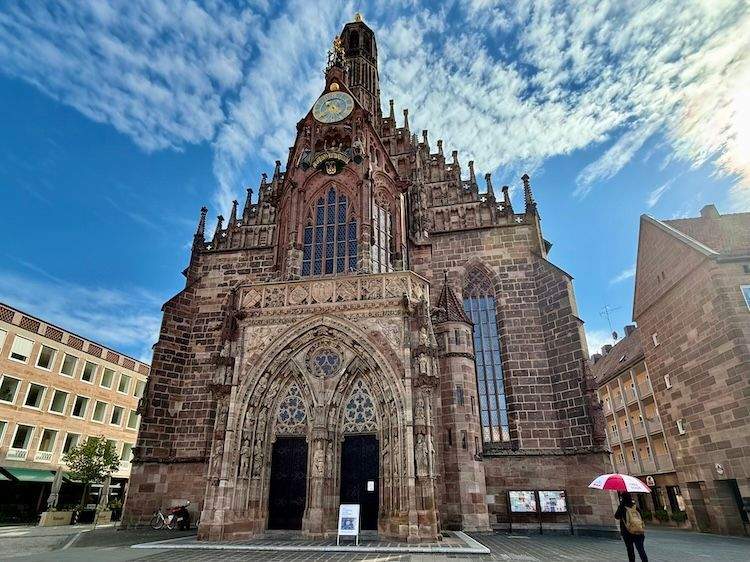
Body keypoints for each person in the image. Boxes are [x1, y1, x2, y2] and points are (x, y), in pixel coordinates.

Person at [615, 492, 648, 562]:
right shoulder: (635, 506)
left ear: (622, 498)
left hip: (627, 532)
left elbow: (616, 516)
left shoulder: (622, 507)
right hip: (638, 531)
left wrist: (621, 506)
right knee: (641, 549)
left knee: (630, 550)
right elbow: (641, 517)